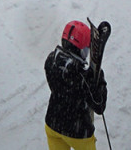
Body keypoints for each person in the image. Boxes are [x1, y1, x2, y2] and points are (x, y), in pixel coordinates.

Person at [42, 19, 109, 150]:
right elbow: (99, 105)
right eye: (87, 48)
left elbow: (57, 86)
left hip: (52, 124)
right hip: (78, 133)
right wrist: (98, 77)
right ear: (81, 49)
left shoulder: (51, 60)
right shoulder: (82, 75)